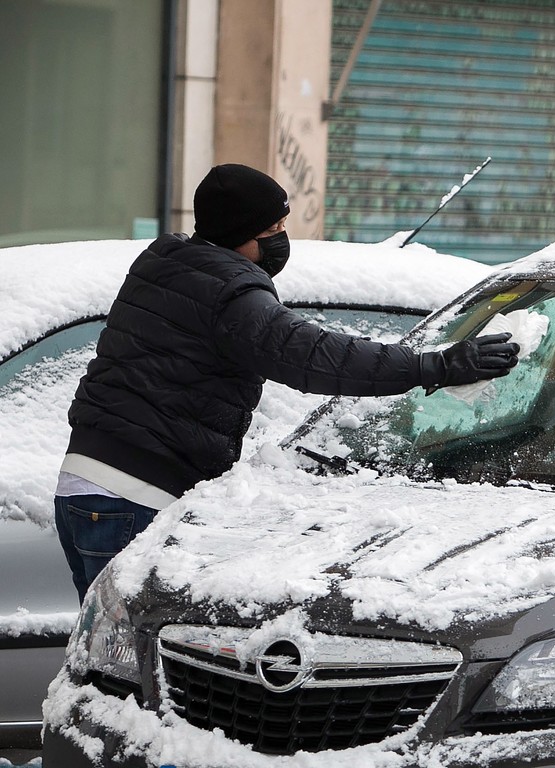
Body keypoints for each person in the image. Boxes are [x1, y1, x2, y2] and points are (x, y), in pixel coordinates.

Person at [54, 163, 519, 602]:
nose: (282, 240)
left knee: (106, 662)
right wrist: (432, 366)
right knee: (126, 669)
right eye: (271, 231)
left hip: (85, 487)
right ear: (239, 235)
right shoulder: (229, 295)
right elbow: (314, 355)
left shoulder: (165, 263)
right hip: (133, 497)